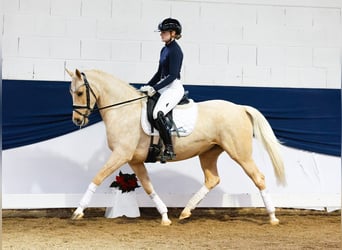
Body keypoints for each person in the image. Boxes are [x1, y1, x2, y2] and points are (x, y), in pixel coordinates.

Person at [140, 18, 185, 161]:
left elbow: (172, 76)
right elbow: (159, 73)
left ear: (173, 33)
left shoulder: (176, 51)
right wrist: (147, 86)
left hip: (173, 87)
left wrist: (155, 88)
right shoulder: (164, 49)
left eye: (164, 32)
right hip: (164, 86)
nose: (161, 34)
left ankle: (169, 149)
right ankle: (153, 144)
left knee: (157, 113)